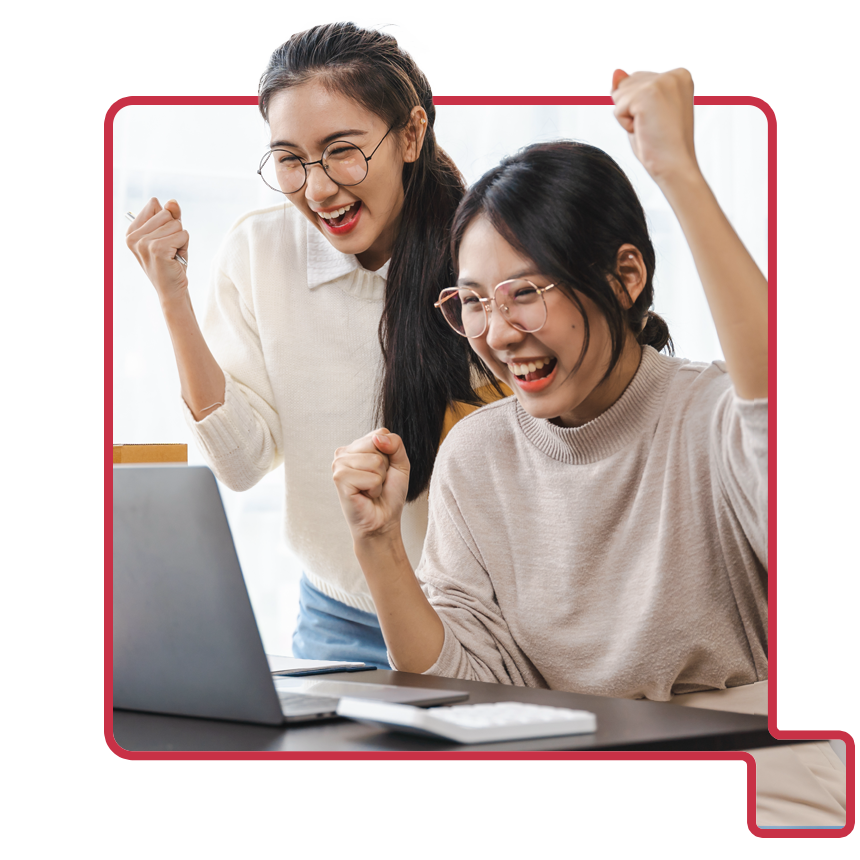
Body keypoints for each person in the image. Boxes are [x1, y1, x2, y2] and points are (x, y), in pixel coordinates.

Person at [333, 69, 845, 825]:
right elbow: (466, 680)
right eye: (473, 301)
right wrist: (377, 546)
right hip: (571, 776)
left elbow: (779, 406)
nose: (498, 335)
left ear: (626, 275)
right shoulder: (479, 454)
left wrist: (677, 170)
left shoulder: (710, 416)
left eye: (527, 293)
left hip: (751, 771)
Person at [125, 21, 501, 669]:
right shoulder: (258, 251)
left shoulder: (484, 257)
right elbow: (242, 464)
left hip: (478, 618)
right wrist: (172, 297)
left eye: (342, 151)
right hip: (335, 615)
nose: (318, 188)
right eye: (291, 160)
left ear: (411, 135)